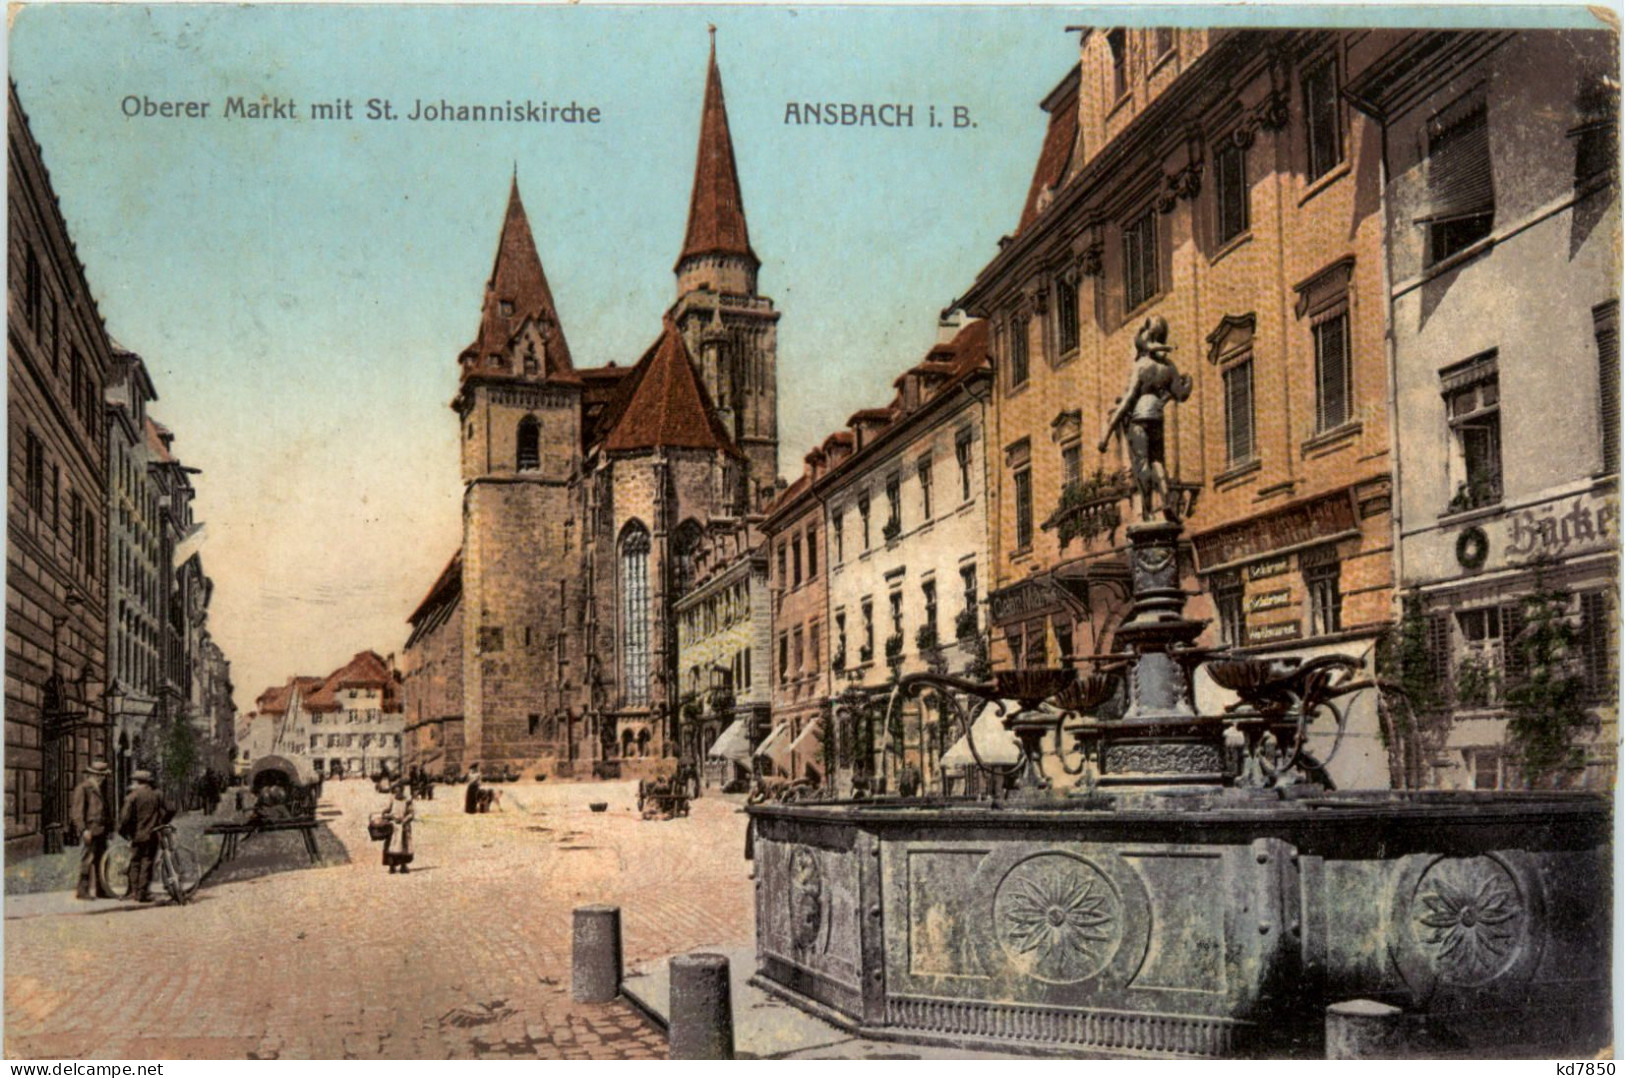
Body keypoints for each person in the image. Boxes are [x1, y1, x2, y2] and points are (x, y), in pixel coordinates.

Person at [1099, 315, 1194, 523]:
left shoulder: (1142, 365)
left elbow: (1128, 400)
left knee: (1142, 464)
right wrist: (1189, 381)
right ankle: (1167, 501)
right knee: (1158, 461)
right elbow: (1181, 394)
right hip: (1156, 417)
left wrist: (1106, 434)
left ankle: (1148, 512)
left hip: (1139, 419)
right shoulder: (1168, 368)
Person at [118, 770, 174, 903]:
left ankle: (134, 892)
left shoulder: (132, 796)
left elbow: (124, 818)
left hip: (137, 835)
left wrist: (123, 833)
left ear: (137, 782)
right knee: (147, 862)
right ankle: (142, 894)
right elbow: (171, 809)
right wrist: (162, 822)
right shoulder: (157, 794)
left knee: (135, 862)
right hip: (153, 833)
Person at [69, 759, 114, 900]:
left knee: (103, 861)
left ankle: (102, 890)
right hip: (90, 831)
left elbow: (107, 810)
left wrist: (110, 829)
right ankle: (82, 891)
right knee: (87, 861)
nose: (101, 778)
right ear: (91, 775)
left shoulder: (102, 788)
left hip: (102, 831)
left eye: (103, 775)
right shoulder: (83, 788)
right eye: (98, 775)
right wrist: (83, 830)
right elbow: (77, 813)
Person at [381, 782, 414, 874]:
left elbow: (411, 813)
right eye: (395, 791)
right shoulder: (392, 799)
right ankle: (392, 867)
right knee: (391, 847)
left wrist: (405, 820)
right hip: (394, 825)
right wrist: (386, 814)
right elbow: (387, 810)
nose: (397, 793)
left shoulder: (407, 800)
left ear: (402, 790)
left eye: (399, 790)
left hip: (403, 826)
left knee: (404, 846)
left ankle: (403, 866)